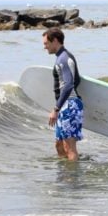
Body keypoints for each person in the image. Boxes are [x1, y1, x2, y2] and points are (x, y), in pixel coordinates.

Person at [42, 27, 83, 161]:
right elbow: (77, 80)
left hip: (69, 106)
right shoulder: (62, 58)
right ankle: (65, 176)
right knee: (59, 145)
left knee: (69, 147)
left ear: (55, 41)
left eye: (46, 43)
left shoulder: (64, 59)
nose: (45, 47)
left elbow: (69, 84)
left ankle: (73, 179)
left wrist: (56, 108)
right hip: (65, 105)